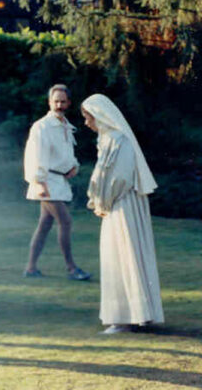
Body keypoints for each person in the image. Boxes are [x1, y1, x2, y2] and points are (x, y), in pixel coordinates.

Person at [81, 94, 164, 334]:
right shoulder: (109, 140)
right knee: (119, 255)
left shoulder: (119, 141)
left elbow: (119, 178)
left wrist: (102, 202)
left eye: (89, 118)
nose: (87, 123)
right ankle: (131, 314)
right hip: (116, 206)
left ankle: (125, 317)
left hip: (122, 206)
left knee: (122, 255)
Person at [23, 84, 91, 281]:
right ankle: (71, 268)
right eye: (56, 101)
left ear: (68, 103)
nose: (59, 105)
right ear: (49, 102)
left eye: (63, 101)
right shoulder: (41, 126)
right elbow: (35, 156)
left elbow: (67, 154)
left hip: (59, 180)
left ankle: (30, 268)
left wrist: (74, 166)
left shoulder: (66, 126)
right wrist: (40, 182)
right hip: (46, 182)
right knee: (66, 221)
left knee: (45, 225)